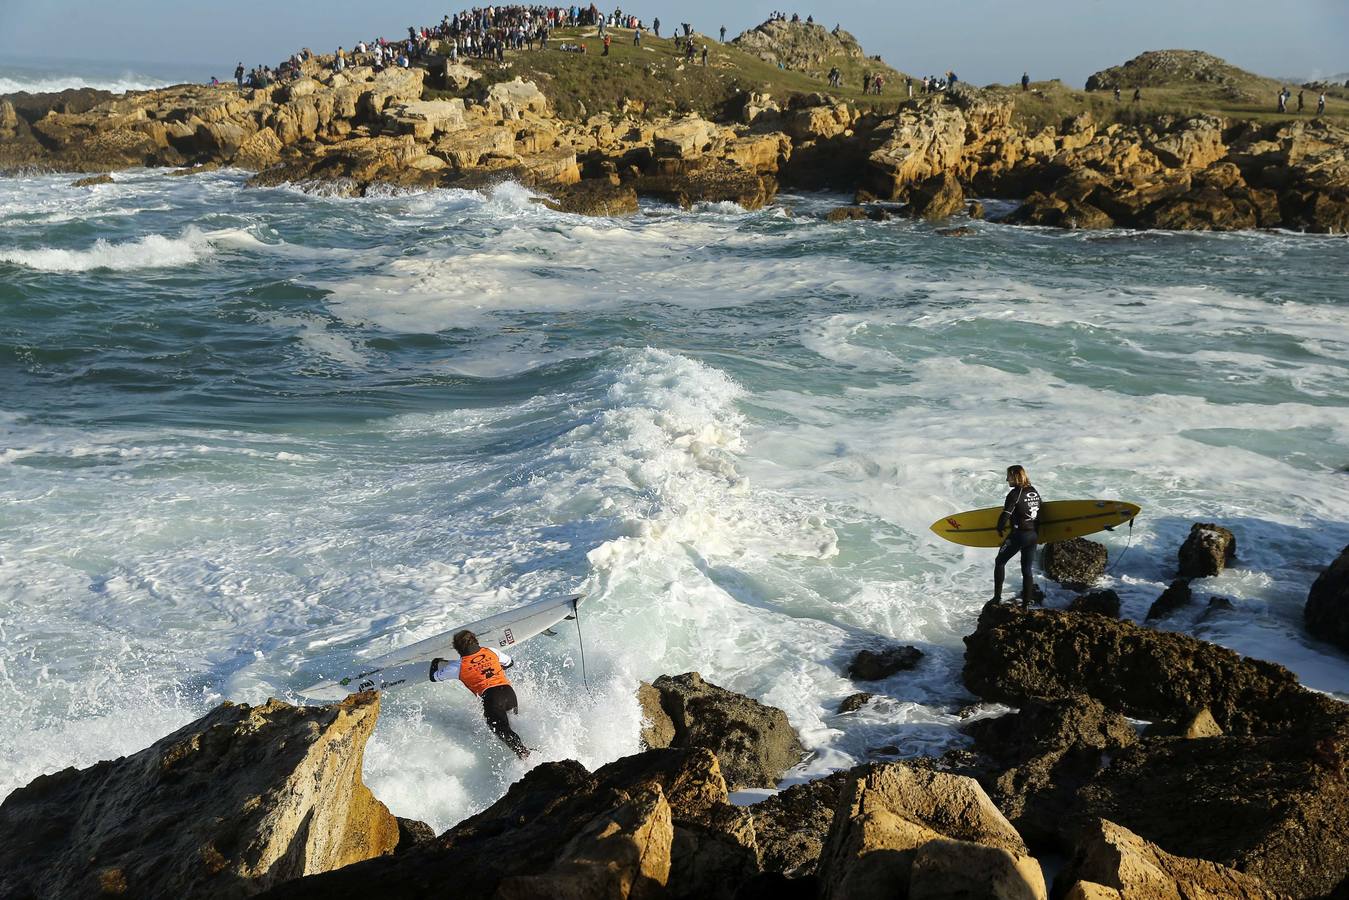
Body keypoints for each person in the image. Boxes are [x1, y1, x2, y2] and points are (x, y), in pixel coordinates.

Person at [430, 630, 530, 758]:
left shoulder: (458, 666)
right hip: (509, 693)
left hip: (492, 698)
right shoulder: (491, 651)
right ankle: (526, 751)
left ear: (457, 648)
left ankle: (525, 755)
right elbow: (510, 662)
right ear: (476, 641)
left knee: (502, 730)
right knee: (513, 725)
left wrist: (435, 662)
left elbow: (434, 677)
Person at [991, 465, 1042, 608]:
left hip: (1019, 536)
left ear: (1015, 477)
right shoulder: (1034, 491)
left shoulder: (1014, 494)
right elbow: (1039, 513)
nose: (1007, 479)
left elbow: (1005, 515)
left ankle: (996, 599)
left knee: (999, 562)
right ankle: (1026, 604)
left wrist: (999, 528)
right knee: (1027, 570)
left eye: (1009, 476)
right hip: (1033, 536)